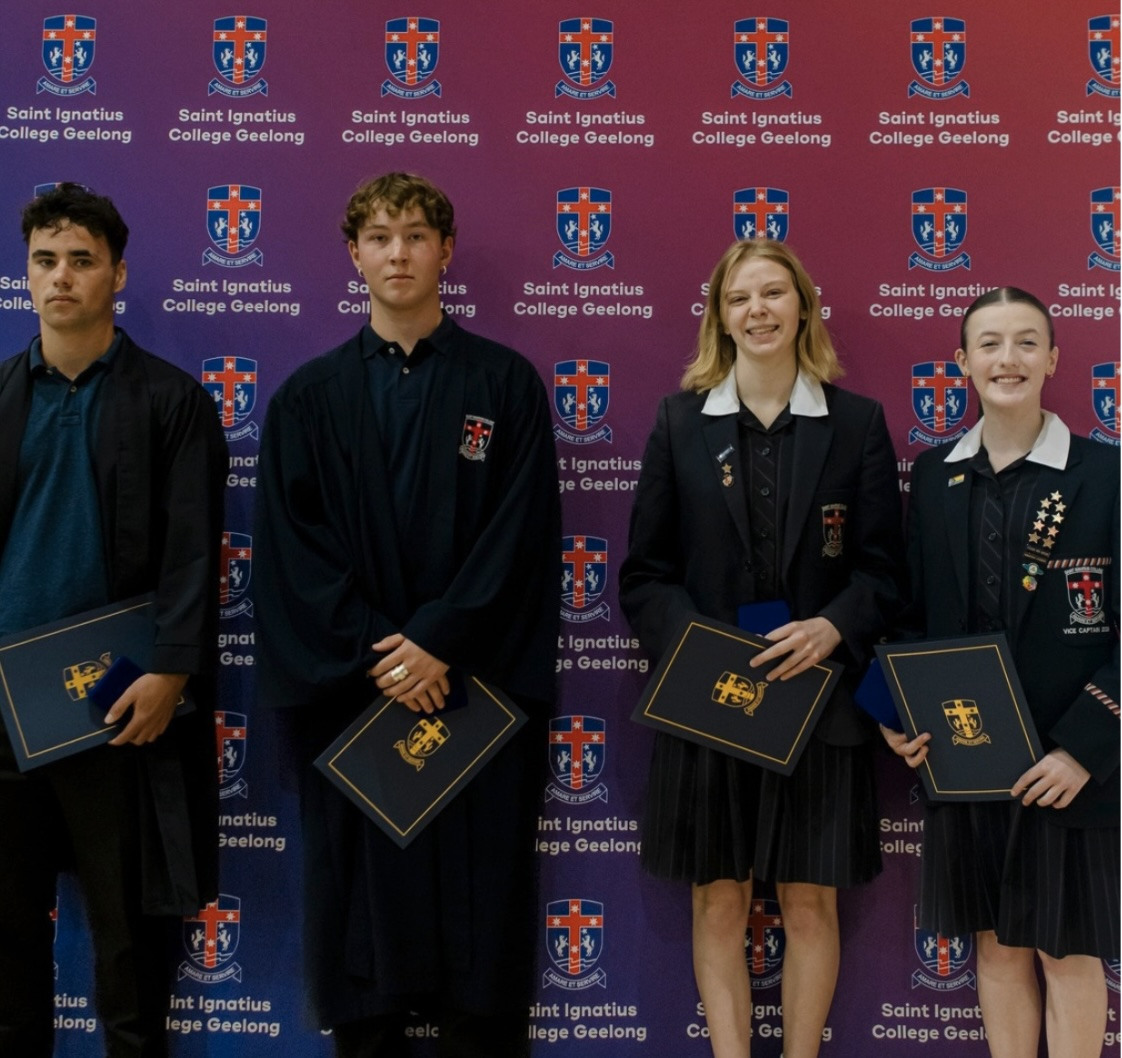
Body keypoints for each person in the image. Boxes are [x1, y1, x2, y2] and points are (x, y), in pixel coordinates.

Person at [254, 172, 559, 1058]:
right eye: (380, 238)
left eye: (417, 236)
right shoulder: (308, 398)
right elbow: (293, 554)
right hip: (357, 701)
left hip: (476, 696)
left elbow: (519, 538)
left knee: (482, 907)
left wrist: (437, 642)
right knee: (361, 915)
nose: (399, 253)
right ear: (353, 254)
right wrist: (382, 656)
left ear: (445, 251)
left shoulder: (504, 385)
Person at [619, 238, 903, 1058]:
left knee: (810, 902)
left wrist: (831, 627)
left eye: (774, 292)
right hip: (710, 704)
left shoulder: (857, 425)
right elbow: (644, 576)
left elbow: (886, 573)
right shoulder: (679, 423)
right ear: (719, 316)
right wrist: (702, 649)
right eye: (739, 297)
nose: (758, 310)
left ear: (803, 307)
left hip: (820, 702)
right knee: (719, 900)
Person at [0, 183, 227, 1057]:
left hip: (118, 704)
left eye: (82, 260)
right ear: (26, 275)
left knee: (129, 944)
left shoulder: (171, 402)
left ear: (118, 275)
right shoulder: (0, 397)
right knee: (6, 937)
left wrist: (170, 671)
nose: (62, 277)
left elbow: (193, 554)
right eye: (45, 261)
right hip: (5, 710)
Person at [882, 287, 1119, 1058]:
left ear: (1052, 359)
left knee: (1068, 953)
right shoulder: (934, 477)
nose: (1006, 359)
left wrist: (1083, 748)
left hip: (1069, 765)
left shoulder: (1106, 474)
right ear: (962, 362)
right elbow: (907, 615)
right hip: (967, 758)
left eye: (1025, 342)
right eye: (989, 344)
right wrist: (893, 714)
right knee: (996, 945)